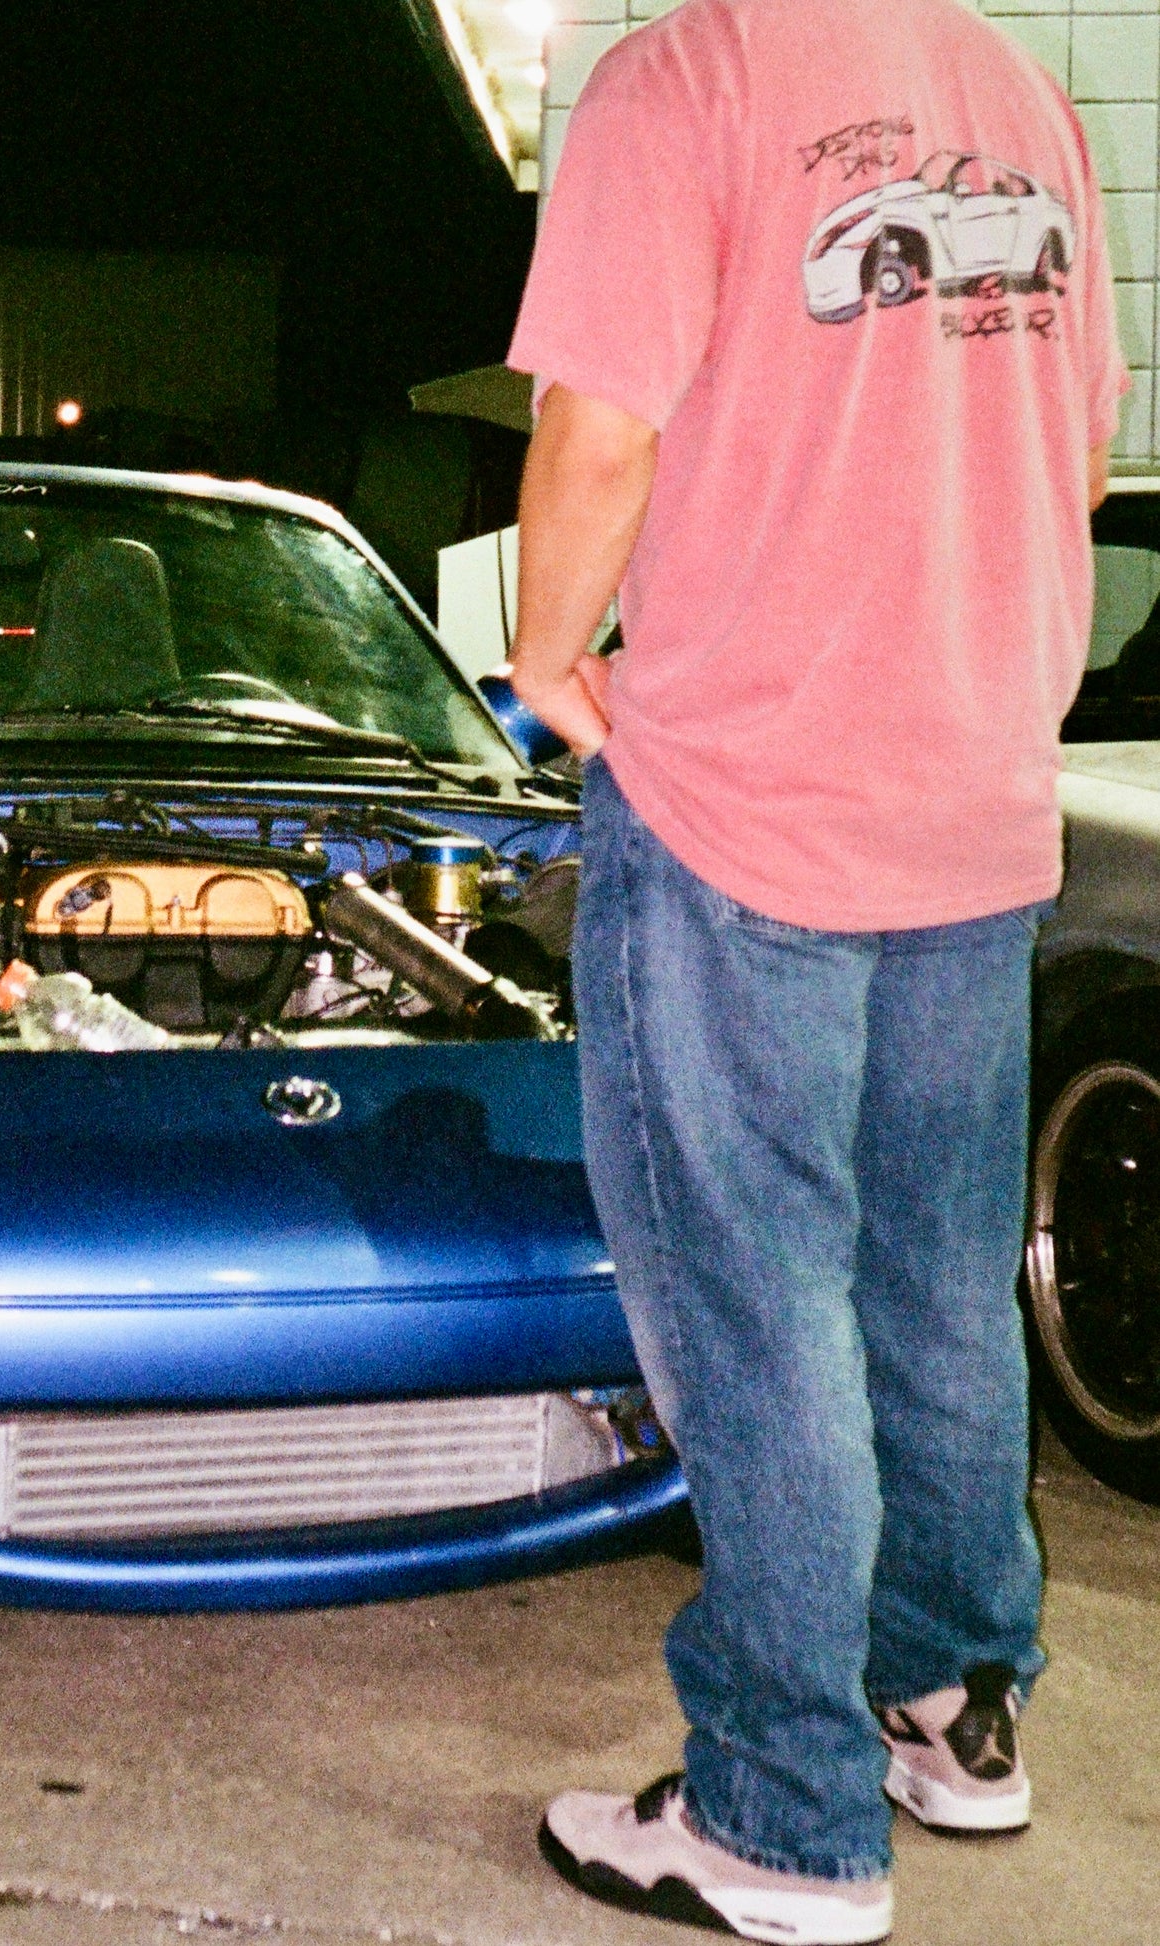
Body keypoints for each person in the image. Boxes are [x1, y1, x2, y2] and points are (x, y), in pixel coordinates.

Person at [494, 2, 1127, 1940]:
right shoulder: (1022, 101)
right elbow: (1079, 451)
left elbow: (597, 429)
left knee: (753, 1295)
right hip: (969, 801)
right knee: (933, 1283)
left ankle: (778, 1809)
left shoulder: (678, 82)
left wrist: (541, 654)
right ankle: (948, 1700)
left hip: (740, 800)